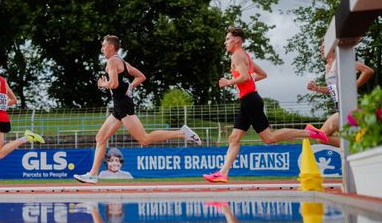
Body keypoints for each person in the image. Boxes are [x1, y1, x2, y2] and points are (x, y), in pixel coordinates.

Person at [203, 26, 329, 183]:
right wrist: (244, 83)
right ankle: (222, 173)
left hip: (250, 100)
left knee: (269, 138)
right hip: (247, 99)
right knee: (234, 138)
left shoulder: (237, 55)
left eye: (228, 39)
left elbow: (245, 77)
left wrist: (229, 81)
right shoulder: (246, 56)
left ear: (237, 40)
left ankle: (309, 132)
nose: (225, 42)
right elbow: (262, 75)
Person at [74, 35, 202, 184]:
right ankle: (93, 174)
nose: (102, 48)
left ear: (111, 47)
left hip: (123, 106)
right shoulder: (123, 62)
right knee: (100, 138)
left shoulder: (112, 61)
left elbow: (114, 84)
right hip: (119, 106)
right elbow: (141, 76)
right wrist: (130, 87)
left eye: (103, 45)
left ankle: (182, 133)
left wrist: (103, 84)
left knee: (144, 139)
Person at [0, 52, 44, 190]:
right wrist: (1, 106)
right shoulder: (2, 80)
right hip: (0, 117)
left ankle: (26, 137)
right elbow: (14, 100)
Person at [306, 39, 374, 147]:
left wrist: (353, 86)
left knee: (321, 136)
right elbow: (334, 90)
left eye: (324, 47)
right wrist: (318, 88)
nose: (321, 50)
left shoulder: (340, 62)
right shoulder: (328, 67)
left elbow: (368, 71)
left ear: (332, 48)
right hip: (340, 108)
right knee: (321, 137)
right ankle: (356, 145)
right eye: (321, 48)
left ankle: (356, 145)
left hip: (349, 107)